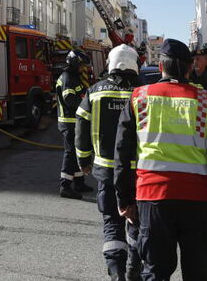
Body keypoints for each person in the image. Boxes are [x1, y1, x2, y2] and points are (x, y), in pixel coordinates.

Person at [115, 39, 207, 281]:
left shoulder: (140, 97)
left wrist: (124, 199)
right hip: (197, 200)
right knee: (197, 273)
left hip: (152, 197)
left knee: (155, 272)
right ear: (190, 68)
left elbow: (122, 153)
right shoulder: (205, 100)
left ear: (161, 67)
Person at [76, 44, 143, 281]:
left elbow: (81, 127)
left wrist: (83, 159)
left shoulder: (95, 91)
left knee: (112, 222)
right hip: (138, 173)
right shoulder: (143, 91)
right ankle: (134, 268)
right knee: (136, 221)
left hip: (106, 172)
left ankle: (116, 272)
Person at [56, 50, 92, 198]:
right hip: (69, 121)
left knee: (76, 152)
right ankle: (65, 186)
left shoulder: (73, 77)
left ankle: (78, 182)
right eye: (81, 65)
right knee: (70, 153)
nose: (83, 69)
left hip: (73, 121)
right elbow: (69, 99)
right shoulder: (67, 77)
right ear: (75, 64)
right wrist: (85, 106)